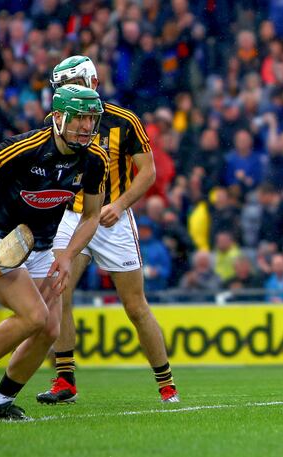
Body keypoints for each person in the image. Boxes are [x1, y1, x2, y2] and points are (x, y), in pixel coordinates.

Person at [0, 84, 109, 422]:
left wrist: (67, 254)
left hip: (43, 247)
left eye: (92, 120)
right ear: (59, 116)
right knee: (33, 316)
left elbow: (91, 216)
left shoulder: (94, 159)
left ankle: (1, 404)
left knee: (48, 329)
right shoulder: (27, 147)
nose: (87, 127)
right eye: (80, 119)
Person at [37, 56, 179, 405]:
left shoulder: (124, 121)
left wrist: (121, 204)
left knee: (134, 306)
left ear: (93, 84)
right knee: (58, 291)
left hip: (112, 219)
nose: (66, 94)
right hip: (72, 216)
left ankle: (166, 384)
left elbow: (148, 172)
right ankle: (65, 380)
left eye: (72, 85)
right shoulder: (59, 122)